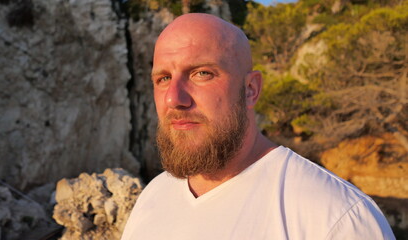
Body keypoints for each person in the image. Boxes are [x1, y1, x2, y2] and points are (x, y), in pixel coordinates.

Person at [121, 13, 395, 240]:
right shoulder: (153, 197)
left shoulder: (337, 219)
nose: (174, 98)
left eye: (202, 73)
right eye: (163, 78)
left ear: (251, 89)